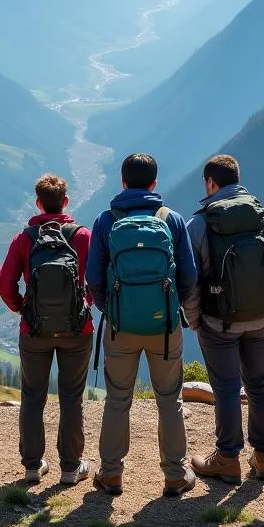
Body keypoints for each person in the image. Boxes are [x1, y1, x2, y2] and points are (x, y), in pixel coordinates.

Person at [85, 153, 199, 498]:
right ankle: (176, 476)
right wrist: (168, 307)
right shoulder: (172, 219)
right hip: (164, 328)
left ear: (122, 182)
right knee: (169, 399)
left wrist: (113, 309)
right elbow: (190, 276)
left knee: (118, 399)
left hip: (120, 327)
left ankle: (111, 475)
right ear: (154, 183)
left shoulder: (106, 221)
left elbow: (92, 277)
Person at [185, 154, 264, 484]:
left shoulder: (199, 224)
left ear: (210, 183)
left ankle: (228, 459)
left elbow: (189, 280)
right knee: (259, 386)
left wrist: (194, 319)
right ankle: (263, 459)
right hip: (260, 319)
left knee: (227, 388)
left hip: (217, 322)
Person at [0, 173, 93, 486]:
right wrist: (84, 304)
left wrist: (23, 308)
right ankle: (70, 467)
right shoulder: (82, 236)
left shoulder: (24, 238)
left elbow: (5, 283)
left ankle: (31, 465)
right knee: (71, 397)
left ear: (38, 203)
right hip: (76, 330)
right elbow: (98, 278)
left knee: (33, 396)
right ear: (66, 201)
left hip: (34, 330)